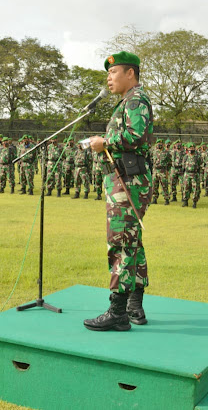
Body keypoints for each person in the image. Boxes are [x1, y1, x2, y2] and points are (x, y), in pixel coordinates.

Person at [84, 51, 152, 332]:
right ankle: (135, 305)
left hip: (127, 182)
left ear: (130, 74)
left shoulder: (136, 100)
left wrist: (104, 141)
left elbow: (135, 136)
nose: (109, 78)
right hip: (125, 180)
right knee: (131, 240)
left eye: (113, 72)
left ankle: (118, 311)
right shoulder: (128, 101)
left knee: (121, 242)